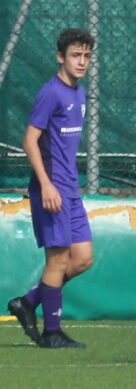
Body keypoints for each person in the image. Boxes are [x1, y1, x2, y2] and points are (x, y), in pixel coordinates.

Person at [7, 28, 96, 348]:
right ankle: (52, 332)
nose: (82, 61)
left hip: (70, 189)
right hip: (50, 189)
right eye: (76, 55)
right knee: (57, 261)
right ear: (61, 57)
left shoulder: (80, 92)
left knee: (83, 258)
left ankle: (28, 302)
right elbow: (30, 140)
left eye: (86, 56)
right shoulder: (51, 93)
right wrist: (45, 185)